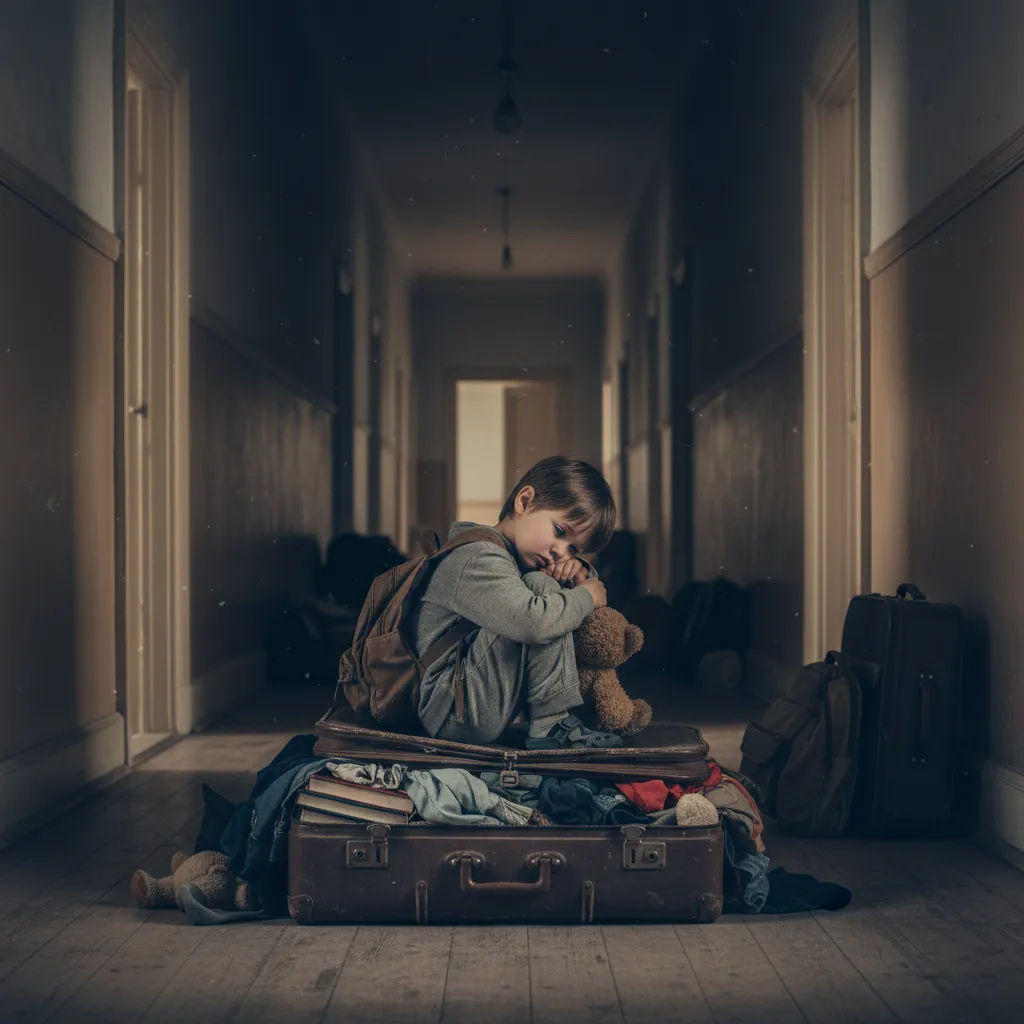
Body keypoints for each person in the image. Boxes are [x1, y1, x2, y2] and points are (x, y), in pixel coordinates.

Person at [410, 455, 624, 749]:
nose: (559, 552)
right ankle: (551, 725)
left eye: (573, 549)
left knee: (543, 587)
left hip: (466, 701)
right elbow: (532, 621)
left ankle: (553, 723)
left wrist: (580, 575)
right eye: (559, 532)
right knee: (540, 591)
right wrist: (588, 594)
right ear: (524, 502)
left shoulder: (513, 560)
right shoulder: (477, 556)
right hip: (451, 714)